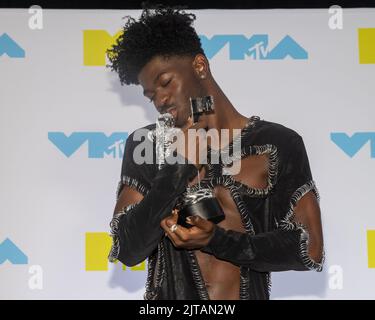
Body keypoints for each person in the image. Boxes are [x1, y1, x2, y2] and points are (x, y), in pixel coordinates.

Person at [106, 6, 324, 300]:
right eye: (151, 94)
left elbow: (310, 248)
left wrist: (217, 240)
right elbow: (127, 249)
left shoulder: (278, 142)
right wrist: (178, 167)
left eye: (166, 82)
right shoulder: (147, 144)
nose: (160, 100)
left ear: (199, 65)